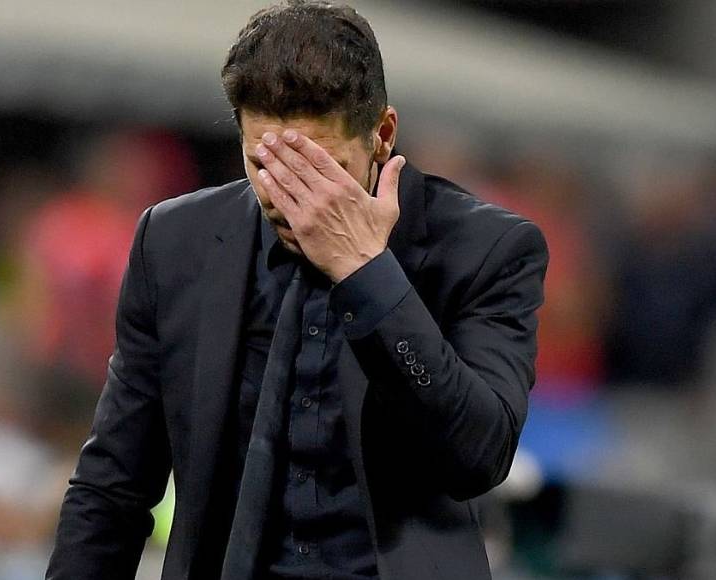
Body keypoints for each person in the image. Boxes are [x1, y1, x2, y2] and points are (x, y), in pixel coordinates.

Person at [45, 2, 548, 579]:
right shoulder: (175, 242)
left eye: (319, 168)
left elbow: (478, 458)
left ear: (382, 135)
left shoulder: (486, 249)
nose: (288, 195)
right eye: (264, 164)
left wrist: (367, 273)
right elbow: (114, 483)